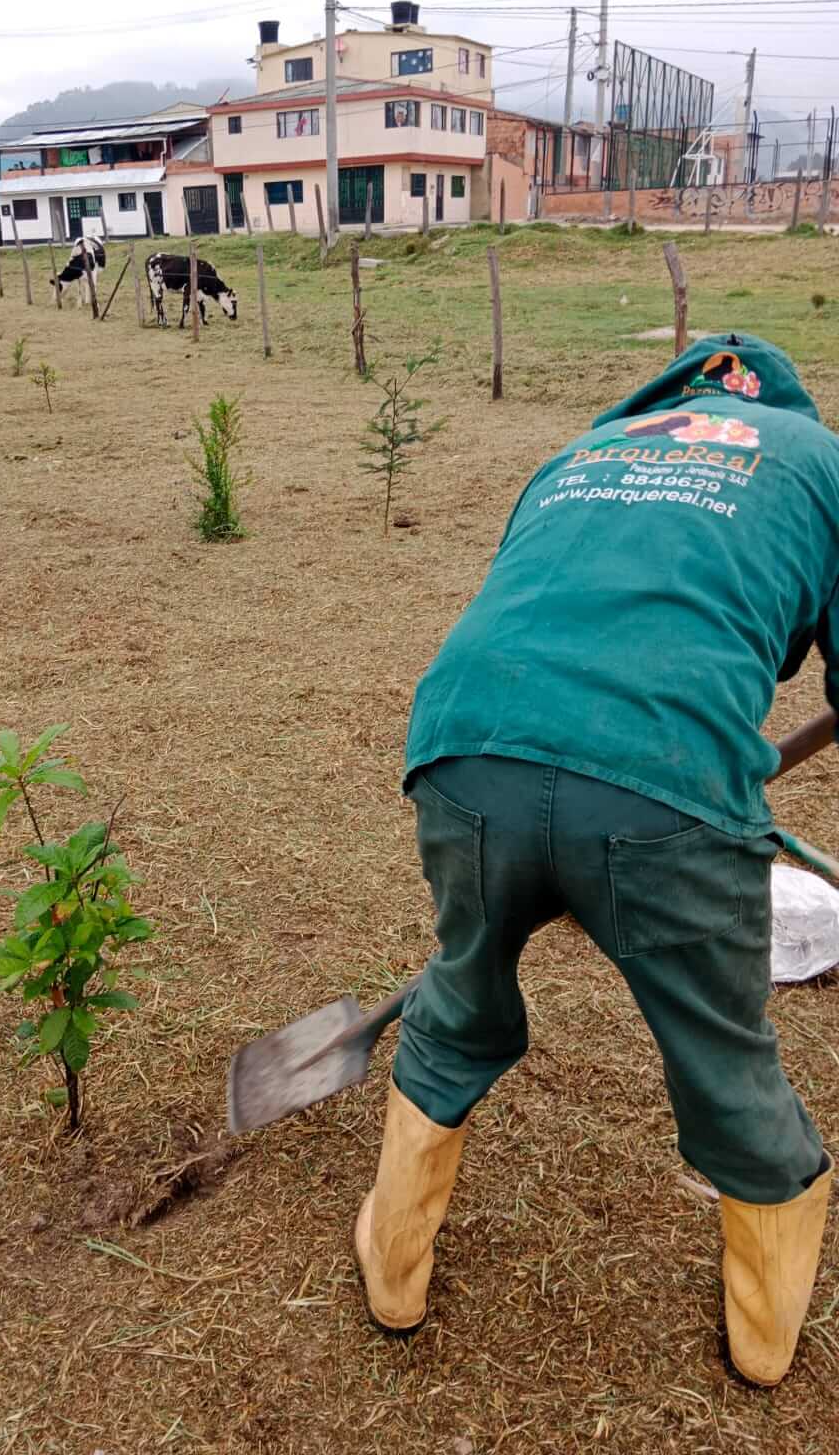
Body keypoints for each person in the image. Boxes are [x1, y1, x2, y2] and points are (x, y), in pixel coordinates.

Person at [354, 334, 837, 1387]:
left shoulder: (583, 449)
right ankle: (761, 1346)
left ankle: (392, 1276)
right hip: (662, 788)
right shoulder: (819, 462)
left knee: (462, 997)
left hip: (462, 750)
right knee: (721, 1056)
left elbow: (540, 605)